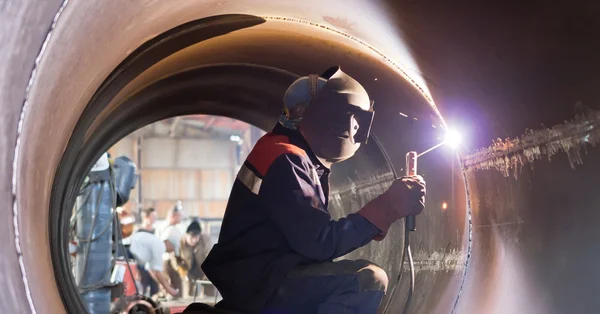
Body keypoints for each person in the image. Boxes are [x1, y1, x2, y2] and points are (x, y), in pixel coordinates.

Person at [200, 66, 426, 314]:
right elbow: (319, 243)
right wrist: (387, 207)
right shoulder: (286, 158)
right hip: (263, 283)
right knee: (367, 280)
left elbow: (309, 234)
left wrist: (377, 219)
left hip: (261, 277)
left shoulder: (286, 152)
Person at [129, 207, 179, 297]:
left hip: (133, 257)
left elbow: (151, 269)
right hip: (128, 255)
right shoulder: (159, 246)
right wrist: (170, 290)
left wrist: (162, 285)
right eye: (173, 248)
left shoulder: (155, 239)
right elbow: (157, 272)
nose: (172, 251)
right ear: (169, 244)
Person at [176, 220, 213, 298]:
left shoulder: (206, 240)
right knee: (188, 295)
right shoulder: (180, 242)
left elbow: (210, 256)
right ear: (186, 235)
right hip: (188, 270)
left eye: (196, 237)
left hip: (204, 269)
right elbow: (175, 258)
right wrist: (181, 271)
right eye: (192, 237)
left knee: (210, 294)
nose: (194, 240)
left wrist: (209, 271)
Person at [157, 203, 184, 298]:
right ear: (174, 215)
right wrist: (174, 252)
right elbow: (164, 244)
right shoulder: (169, 229)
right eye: (179, 215)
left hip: (171, 262)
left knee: (176, 288)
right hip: (170, 262)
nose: (181, 217)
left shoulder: (169, 227)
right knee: (174, 289)